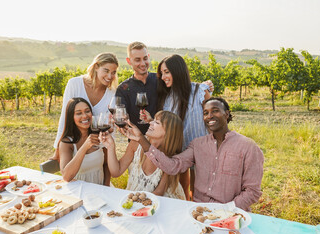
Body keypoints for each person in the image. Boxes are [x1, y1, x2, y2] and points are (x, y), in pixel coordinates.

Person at [123, 97, 264, 211]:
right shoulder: (198, 145)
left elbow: (252, 191)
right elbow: (173, 166)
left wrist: (228, 209)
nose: (210, 116)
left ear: (226, 114)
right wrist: (143, 140)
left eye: (215, 111)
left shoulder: (248, 147)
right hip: (199, 211)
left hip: (232, 212)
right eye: (205, 113)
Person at [140, 54, 211, 200]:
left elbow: (212, 119)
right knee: (183, 188)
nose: (163, 76)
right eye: (161, 73)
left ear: (178, 71)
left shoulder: (199, 91)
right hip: (179, 150)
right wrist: (151, 120)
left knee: (199, 189)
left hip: (201, 149)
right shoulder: (166, 97)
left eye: (167, 72)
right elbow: (167, 125)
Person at [50, 52, 118, 185]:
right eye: (106, 70)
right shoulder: (75, 84)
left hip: (98, 144)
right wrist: (57, 150)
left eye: (114, 72)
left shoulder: (112, 93)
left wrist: (110, 132)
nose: (110, 76)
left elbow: (111, 125)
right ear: (96, 66)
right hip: (78, 144)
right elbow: (65, 118)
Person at [99, 111, 185, 200]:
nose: (150, 123)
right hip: (137, 198)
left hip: (161, 201)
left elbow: (159, 192)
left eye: (156, 122)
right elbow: (116, 171)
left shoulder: (171, 159)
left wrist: (135, 203)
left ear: (168, 132)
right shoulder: (136, 144)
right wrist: (110, 146)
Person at [58, 97, 110, 185]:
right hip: (78, 192)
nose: (85, 116)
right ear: (72, 117)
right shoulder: (66, 143)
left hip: (101, 189)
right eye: (79, 113)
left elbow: (106, 164)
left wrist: (106, 186)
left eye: (87, 111)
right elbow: (66, 176)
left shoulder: (100, 136)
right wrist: (85, 147)